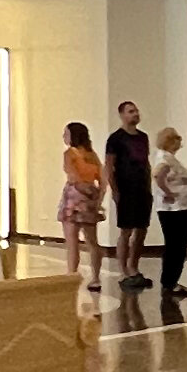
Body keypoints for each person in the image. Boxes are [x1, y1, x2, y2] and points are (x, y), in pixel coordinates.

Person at [105, 104, 152, 301]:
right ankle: (123, 269)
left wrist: (149, 186)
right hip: (125, 189)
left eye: (136, 111)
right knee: (126, 230)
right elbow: (109, 166)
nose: (135, 114)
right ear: (122, 115)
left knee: (141, 229)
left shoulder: (143, 137)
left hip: (142, 189)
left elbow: (146, 163)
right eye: (131, 111)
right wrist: (115, 190)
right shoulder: (115, 139)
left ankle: (134, 266)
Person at [150, 117, 187, 301]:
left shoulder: (166, 157)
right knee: (177, 245)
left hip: (177, 207)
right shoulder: (166, 159)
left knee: (174, 245)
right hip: (176, 208)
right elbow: (158, 175)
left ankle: (170, 280)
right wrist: (168, 192)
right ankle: (170, 281)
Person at [57, 120, 106, 290]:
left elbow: (73, 176)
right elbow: (103, 180)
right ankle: (96, 278)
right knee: (92, 241)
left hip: (73, 198)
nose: (64, 137)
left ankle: (72, 275)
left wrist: (83, 189)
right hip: (90, 199)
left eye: (66, 133)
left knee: (72, 242)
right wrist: (97, 199)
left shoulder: (69, 154)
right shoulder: (93, 155)